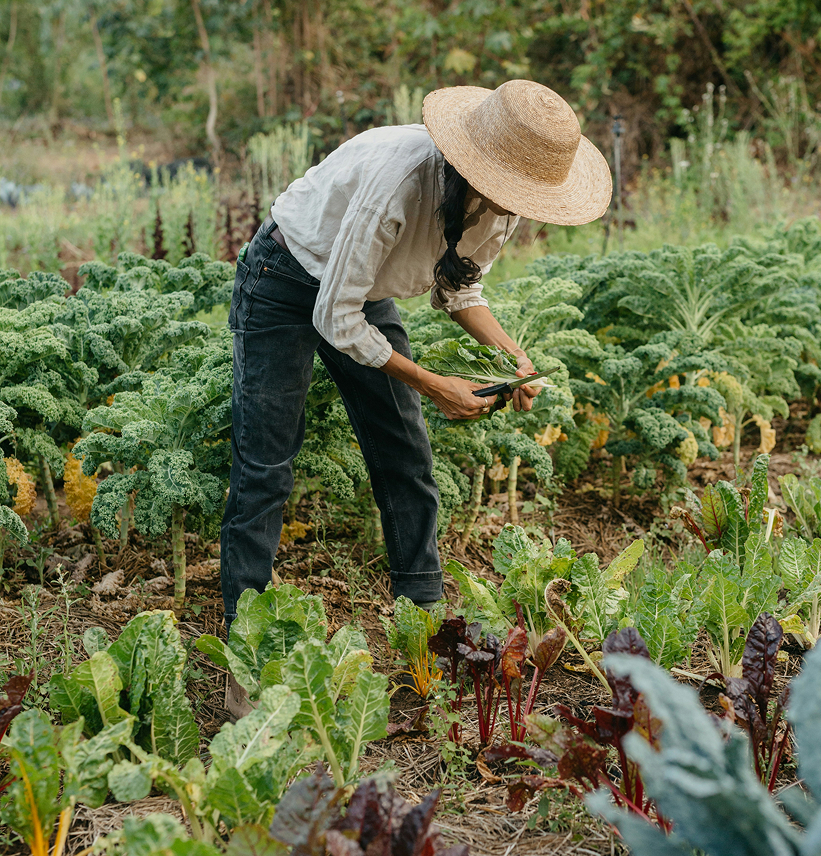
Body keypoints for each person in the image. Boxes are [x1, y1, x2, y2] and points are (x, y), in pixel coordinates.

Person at [220, 79, 612, 627]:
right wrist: (432, 384)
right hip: (284, 278)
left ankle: (422, 615)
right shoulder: (400, 182)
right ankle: (246, 626)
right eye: (514, 189)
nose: (519, 206)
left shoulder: (503, 207)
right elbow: (335, 316)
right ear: (480, 165)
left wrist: (513, 361)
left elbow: (459, 291)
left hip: (362, 289)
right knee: (266, 461)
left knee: (405, 450)